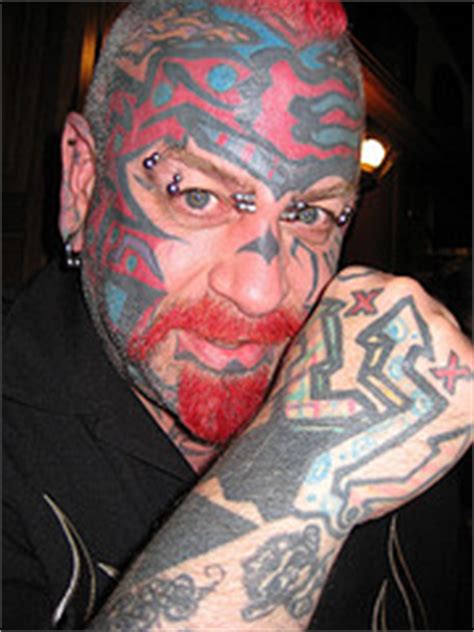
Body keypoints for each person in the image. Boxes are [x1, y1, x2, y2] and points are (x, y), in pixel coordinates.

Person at [3, 0, 472, 629]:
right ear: (82, 182)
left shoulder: (401, 405)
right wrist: (301, 470)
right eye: (198, 196)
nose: (259, 291)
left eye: (310, 214)